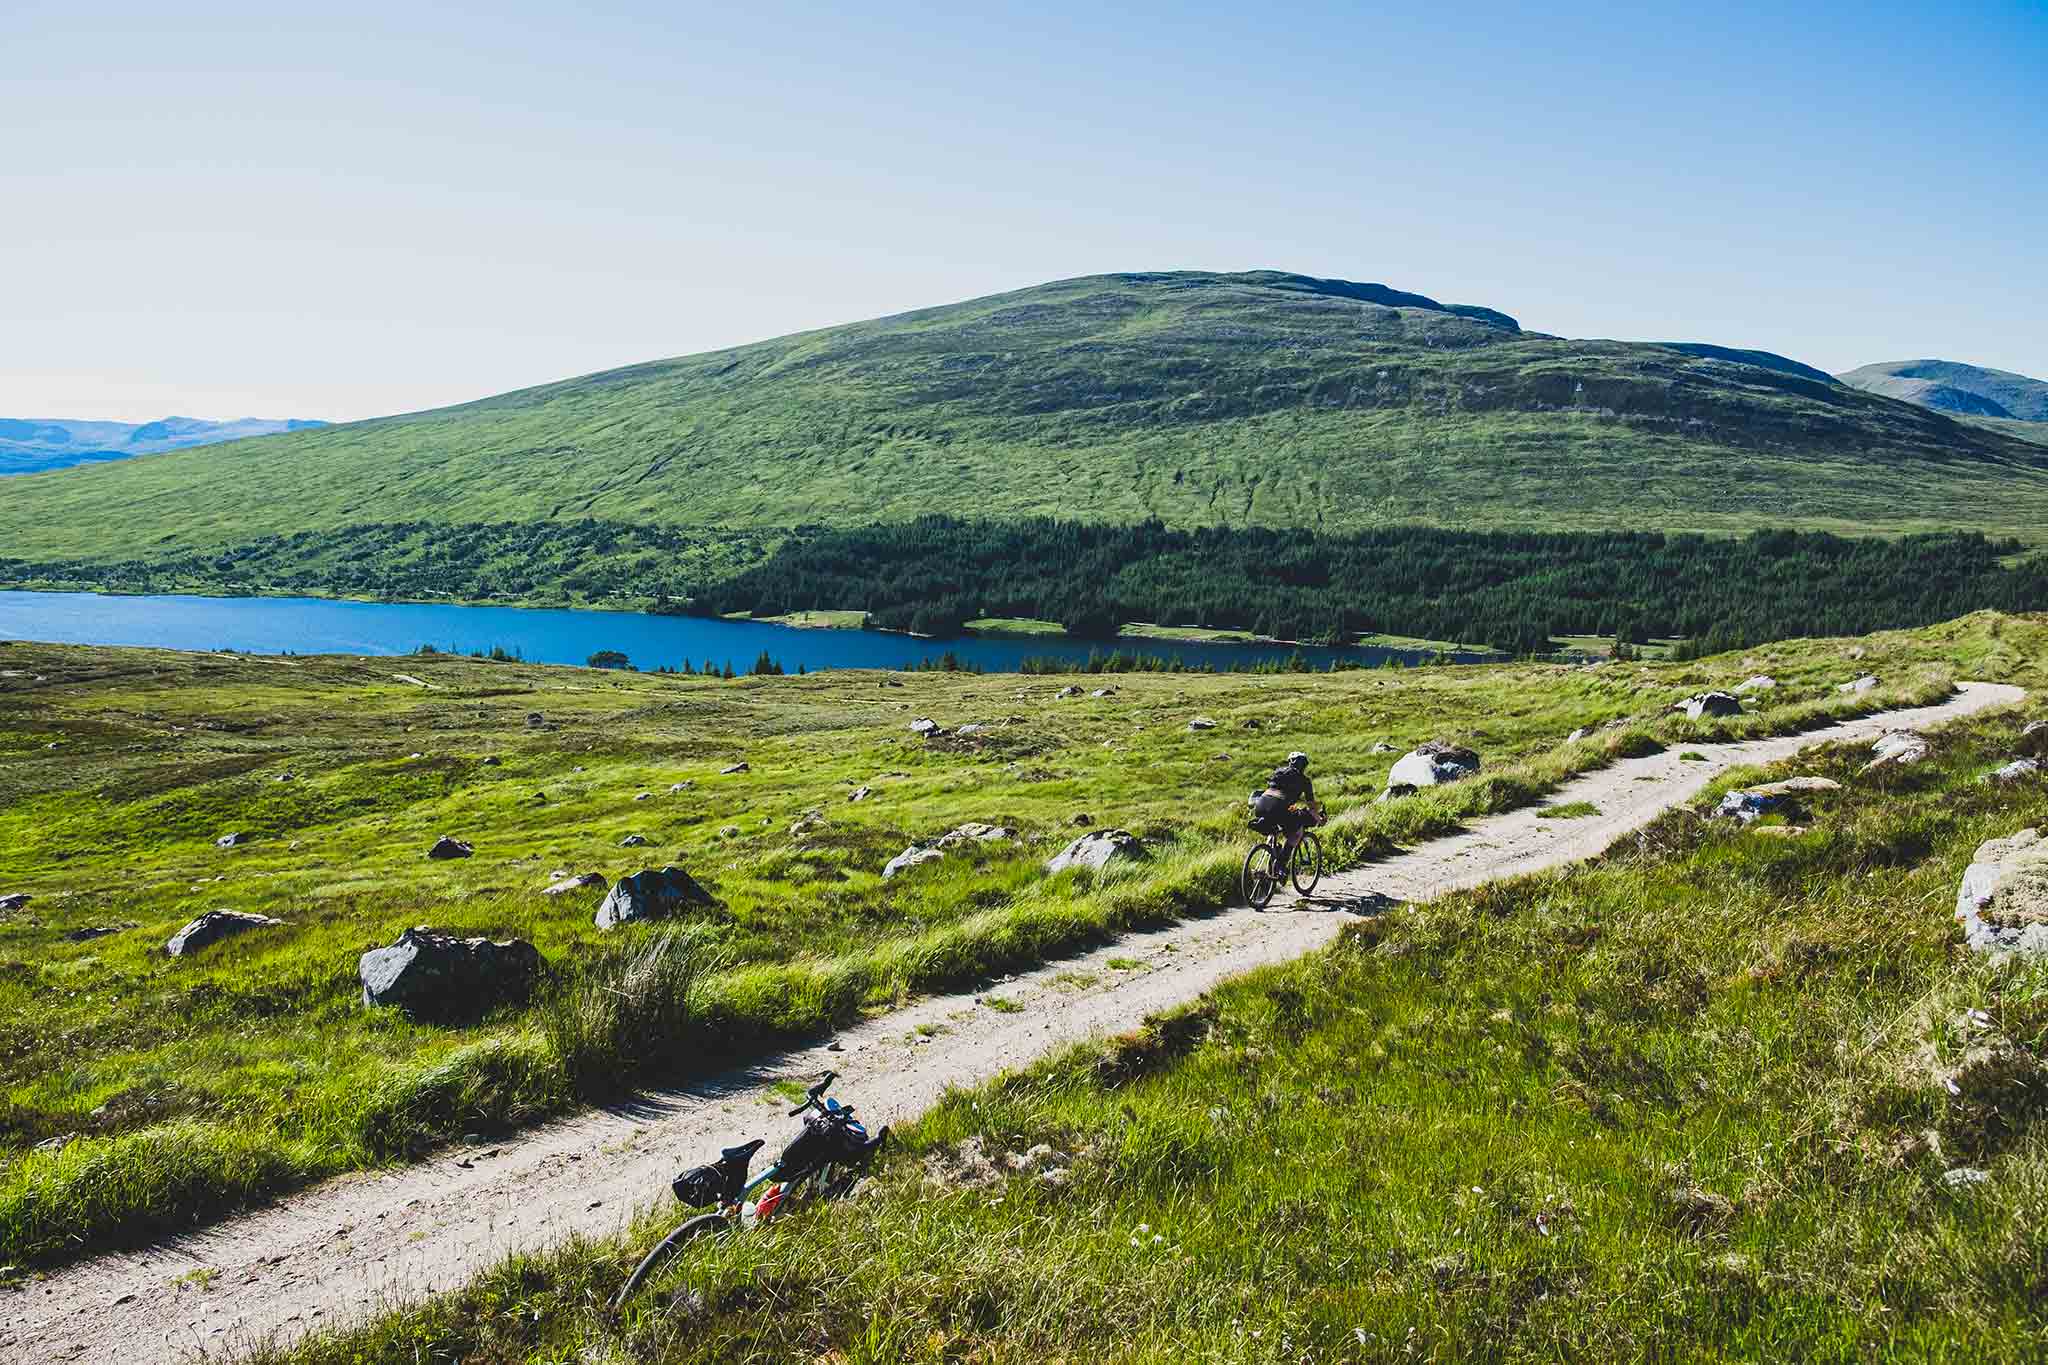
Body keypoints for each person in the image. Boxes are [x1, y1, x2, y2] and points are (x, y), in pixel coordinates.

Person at [1251, 751, 1322, 859]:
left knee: (1274, 825)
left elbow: (1275, 794)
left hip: (1261, 805)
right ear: (1304, 765)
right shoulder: (1305, 780)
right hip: (1278, 808)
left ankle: (1272, 853)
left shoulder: (1278, 772)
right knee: (1296, 833)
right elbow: (1311, 807)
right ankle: (1281, 864)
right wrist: (1319, 819)